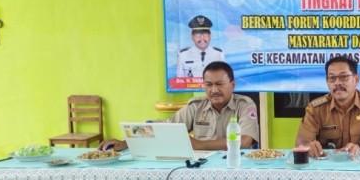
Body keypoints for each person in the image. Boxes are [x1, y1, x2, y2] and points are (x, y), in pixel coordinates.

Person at [101, 61, 258, 151]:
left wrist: (199, 145)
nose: (214, 90)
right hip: (202, 168)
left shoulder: (244, 105)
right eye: (209, 85)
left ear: (232, 85)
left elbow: (245, 141)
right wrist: (127, 142)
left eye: (219, 84)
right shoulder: (196, 106)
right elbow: (165, 128)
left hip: (235, 166)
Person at [296, 56, 360, 157]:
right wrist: (309, 146)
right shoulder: (315, 108)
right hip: (327, 163)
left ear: (356, 79)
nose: (337, 83)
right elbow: (302, 142)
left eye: (344, 77)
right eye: (332, 78)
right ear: (327, 82)